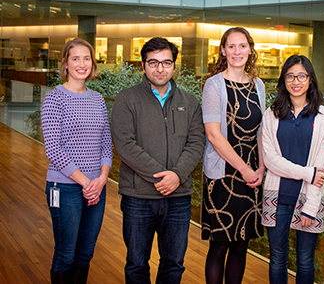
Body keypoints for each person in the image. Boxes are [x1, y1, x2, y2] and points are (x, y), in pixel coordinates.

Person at [111, 37, 205, 284]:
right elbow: (126, 145)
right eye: (153, 62)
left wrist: (176, 176)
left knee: (173, 265)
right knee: (136, 265)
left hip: (178, 197)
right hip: (138, 198)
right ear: (143, 66)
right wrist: (162, 176)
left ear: (174, 66)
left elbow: (196, 143)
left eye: (166, 62)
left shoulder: (190, 102)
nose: (160, 68)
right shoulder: (126, 99)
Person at [41, 38, 112, 284]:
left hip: (97, 188)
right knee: (65, 254)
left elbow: (106, 143)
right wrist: (86, 183)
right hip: (65, 187)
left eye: (86, 58)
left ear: (92, 63)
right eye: (75, 58)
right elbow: (54, 150)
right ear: (65, 63)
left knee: (85, 254)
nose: (82, 63)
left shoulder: (98, 99)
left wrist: (101, 179)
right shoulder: (54, 99)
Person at [201, 27, 266, 284]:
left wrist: (260, 168)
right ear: (223, 50)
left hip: (252, 176)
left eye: (242, 46)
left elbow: (262, 131)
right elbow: (214, 135)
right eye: (231, 46)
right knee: (219, 247)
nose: (237, 51)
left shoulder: (258, 85)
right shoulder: (214, 84)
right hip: (223, 175)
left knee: (241, 245)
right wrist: (246, 170)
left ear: (250, 49)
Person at [261, 55, 324, 284]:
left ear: (310, 80)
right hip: (277, 197)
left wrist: (311, 207)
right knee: (277, 259)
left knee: (305, 260)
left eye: (302, 75)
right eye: (290, 76)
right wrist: (307, 173)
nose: (296, 81)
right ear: (283, 80)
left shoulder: (323, 116)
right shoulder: (272, 114)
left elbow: (321, 163)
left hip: (309, 197)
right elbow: (270, 160)